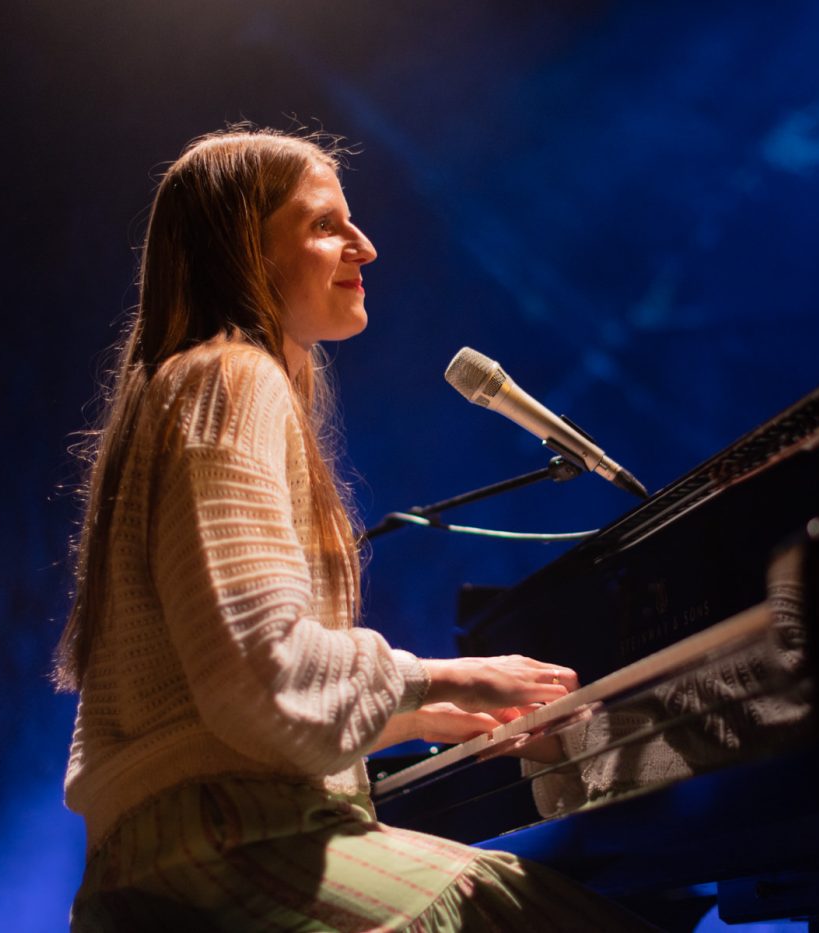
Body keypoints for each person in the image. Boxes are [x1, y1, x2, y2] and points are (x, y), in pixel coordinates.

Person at [53, 126, 656, 931]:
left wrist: (415, 717)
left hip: (165, 854)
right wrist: (448, 677)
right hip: (234, 846)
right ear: (246, 251)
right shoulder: (232, 379)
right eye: (325, 223)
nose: (365, 247)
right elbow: (257, 673)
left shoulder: (179, 387)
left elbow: (210, 705)